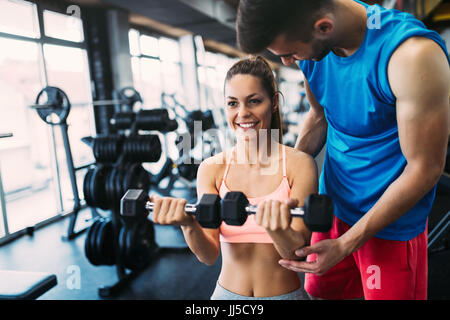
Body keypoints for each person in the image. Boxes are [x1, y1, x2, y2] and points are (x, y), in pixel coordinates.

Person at [236, 0, 449, 300]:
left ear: (324, 27)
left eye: (290, 54)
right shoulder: (314, 51)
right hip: (332, 209)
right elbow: (319, 116)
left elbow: (425, 168)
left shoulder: (411, 56)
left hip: (390, 224)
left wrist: (347, 244)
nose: (288, 63)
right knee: (321, 295)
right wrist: (284, 177)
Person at [150, 55, 318, 300]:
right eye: (232, 103)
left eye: (254, 101)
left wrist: (276, 228)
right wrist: (188, 224)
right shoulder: (211, 169)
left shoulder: (299, 165)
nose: (243, 113)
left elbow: (295, 254)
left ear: (273, 102)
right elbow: (208, 256)